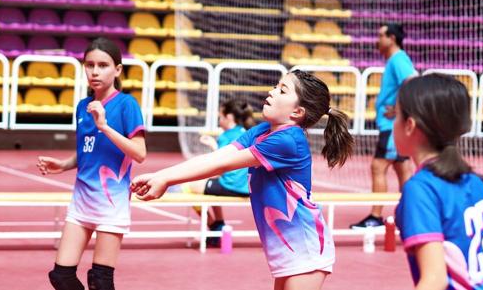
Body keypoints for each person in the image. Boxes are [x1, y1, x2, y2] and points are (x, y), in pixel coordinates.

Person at [132, 70, 354, 290]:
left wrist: (167, 180)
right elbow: (217, 156)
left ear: (297, 111)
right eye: (276, 86)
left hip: (305, 246)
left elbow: (221, 165)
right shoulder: (263, 131)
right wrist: (161, 176)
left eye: (282, 90)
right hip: (287, 249)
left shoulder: (287, 140)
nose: (272, 91)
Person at [394, 74, 483, 290]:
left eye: (395, 116)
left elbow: (435, 279)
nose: (392, 124)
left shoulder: (420, 189)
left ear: (409, 125)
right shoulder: (475, 182)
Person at [36, 38, 146, 290]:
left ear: (117, 70)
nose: (95, 71)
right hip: (81, 200)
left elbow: (139, 153)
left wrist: (104, 126)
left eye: (103, 65)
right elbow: (91, 152)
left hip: (110, 200)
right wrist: (63, 165)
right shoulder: (82, 106)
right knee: (61, 276)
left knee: (100, 281)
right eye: (89, 65)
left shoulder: (127, 105)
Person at [350, 23, 417, 229]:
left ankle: (376, 217)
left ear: (392, 39)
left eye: (380, 36)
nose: (377, 40)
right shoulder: (396, 60)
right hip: (393, 124)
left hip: (392, 125)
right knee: (403, 169)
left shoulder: (398, 59)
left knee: (378, 166)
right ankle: (410, 215)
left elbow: (412, 80)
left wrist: (399, 108)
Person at [183, 98, 255, 245]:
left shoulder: (227, 136)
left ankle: (215, 226)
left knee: (187, 188)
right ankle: (219, 223)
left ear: (229, 118)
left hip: (232, 186)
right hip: (248, 187)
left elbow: (219, 165)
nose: (219, 120)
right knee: (211, 187)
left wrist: (212, 146)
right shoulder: (248, 134)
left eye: (220, 117)